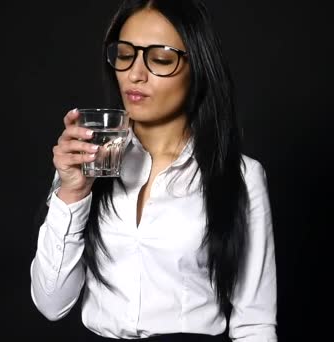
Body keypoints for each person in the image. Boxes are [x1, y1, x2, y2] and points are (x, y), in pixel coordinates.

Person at [30, 0, 277, 341]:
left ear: (198, 67)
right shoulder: (87, 165)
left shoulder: (240, 177)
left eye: (160, 58)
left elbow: (254, 324)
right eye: (125, 55)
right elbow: (52, 303)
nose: (135, 74)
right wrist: (72, 193)